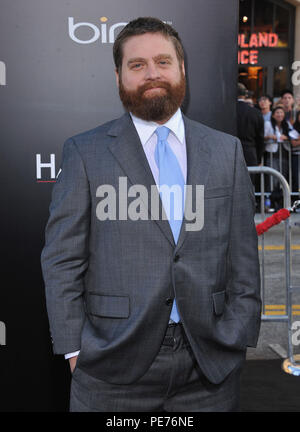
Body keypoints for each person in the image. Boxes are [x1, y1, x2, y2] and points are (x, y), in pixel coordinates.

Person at [41, 17, 261, 412]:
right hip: (111, 368)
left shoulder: (225, 151)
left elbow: (243, 254)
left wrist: (237, 334)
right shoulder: (85, 152)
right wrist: (75, 348)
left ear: (182, 69)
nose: (152, 73)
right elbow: (62, 258)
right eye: (137, 65)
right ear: (118, 76)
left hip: (209, 365)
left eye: (162, 61)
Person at [264, 106, 293, 210]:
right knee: (272, 179)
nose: (279, 114)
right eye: (277, 112)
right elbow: (263, 135)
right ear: (273, 115)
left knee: (282, 179)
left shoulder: (287, 124)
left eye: (281, 112)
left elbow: (293, 135)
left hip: (284, 154)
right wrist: (271, 137)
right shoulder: (268, 124)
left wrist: (287, 137)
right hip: (272, 153)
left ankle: (280, 203)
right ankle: (269, 203)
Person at [237, 83, 265, 168]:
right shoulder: (255, 113)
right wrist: (259, 158)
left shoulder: (226, 110)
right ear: (245, 95)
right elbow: (260, 138)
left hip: (229, 153)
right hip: (250, 155)